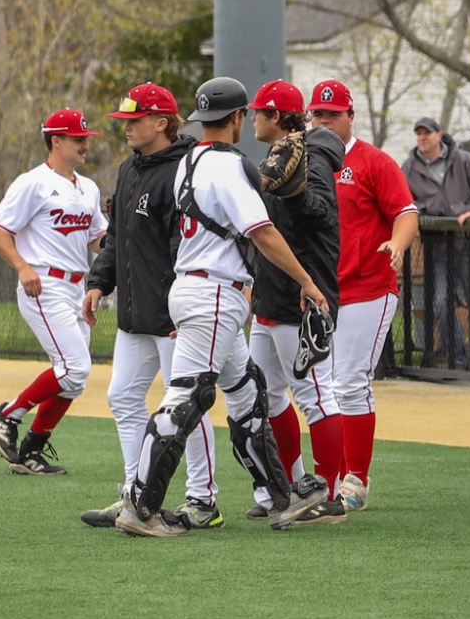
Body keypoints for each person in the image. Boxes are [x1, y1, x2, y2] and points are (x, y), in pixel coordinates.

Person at [116, 77, 332, 536]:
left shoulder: (189, 160)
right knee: (186, 398)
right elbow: (262, 232)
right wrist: (307, 281)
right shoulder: (228, 167)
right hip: (214, 293)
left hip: (201, 291)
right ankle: (140, 506)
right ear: (235, 118)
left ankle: (281, 497)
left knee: (248, 394)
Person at [83, 85, 218, 526]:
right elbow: (118, 236)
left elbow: (188, 246)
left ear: (162, 122)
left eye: (135, 120)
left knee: (185, 407)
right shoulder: (130, 169)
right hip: (135, 313)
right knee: (123, 396)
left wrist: (184, 307)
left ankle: (202, 500)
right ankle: (134, 493)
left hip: (173, 315)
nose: (126, 127)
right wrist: (99, 283)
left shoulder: (185, 168)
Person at [307, 80, 418, 510]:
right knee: (322, 387)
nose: (323, 121)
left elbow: (406, 213)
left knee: (350, 383)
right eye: (317, 114)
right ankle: (329, 477)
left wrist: (398, 243)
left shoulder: (374, 161)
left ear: (351, 116)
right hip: (322, 291)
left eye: (331, 114)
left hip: (369, 286)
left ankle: (355, 478)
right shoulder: (306, 161)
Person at [244, 80, 349, 521]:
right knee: (266, 396)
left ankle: (329, 496)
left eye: (258, 112)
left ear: (275, 116)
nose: (252, 119)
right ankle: (291, 485)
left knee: (316, 396)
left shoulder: (315, 157)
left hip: (303, 294)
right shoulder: (274, 156)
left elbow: (324, 216)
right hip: (271, 293)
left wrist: (298, 194)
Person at [0, 108, 106, 476]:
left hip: (76, 287)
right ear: (56, 140)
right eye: (78, 139)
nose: (85, 145)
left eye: (85, 138)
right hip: (43, 283)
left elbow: (98, 239)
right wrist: (22, 267)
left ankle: (31, 450)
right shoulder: (32, 182)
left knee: (75, 378)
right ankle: (7, 413)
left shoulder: (87, 186)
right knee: (74, 367)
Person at [403, 115, 470, 368]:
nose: (423, 138)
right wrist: (425, 210)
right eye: (419, 133)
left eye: (427, 133)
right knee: (441, 303)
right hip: (437, 246)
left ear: (439, 135)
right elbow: (405, 201)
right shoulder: (409, 167)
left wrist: (463, 210)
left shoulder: (463, 159)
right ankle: (455, 356)